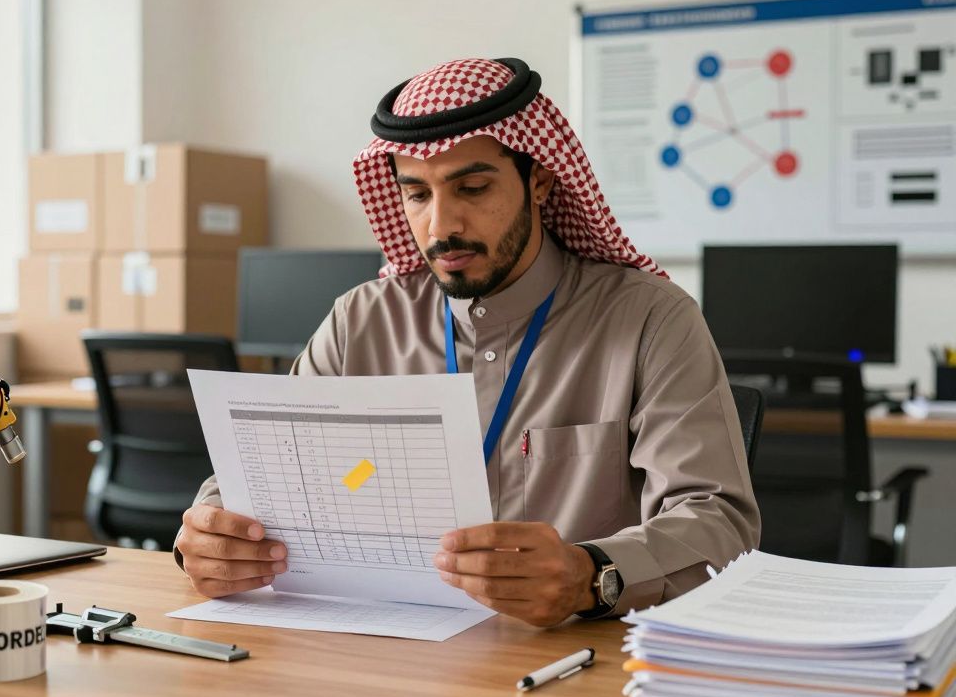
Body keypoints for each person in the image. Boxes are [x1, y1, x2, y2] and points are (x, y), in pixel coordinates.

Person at [174, 57, 759, 627]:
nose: (440, 226)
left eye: (472, 188)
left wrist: (591, 574)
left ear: (541, 181)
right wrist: (211, 530)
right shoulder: (360, 323)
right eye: (417, 195)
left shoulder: (650, 319)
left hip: (572, 661)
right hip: (381, 649)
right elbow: (268, 474)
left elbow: (718, 521)